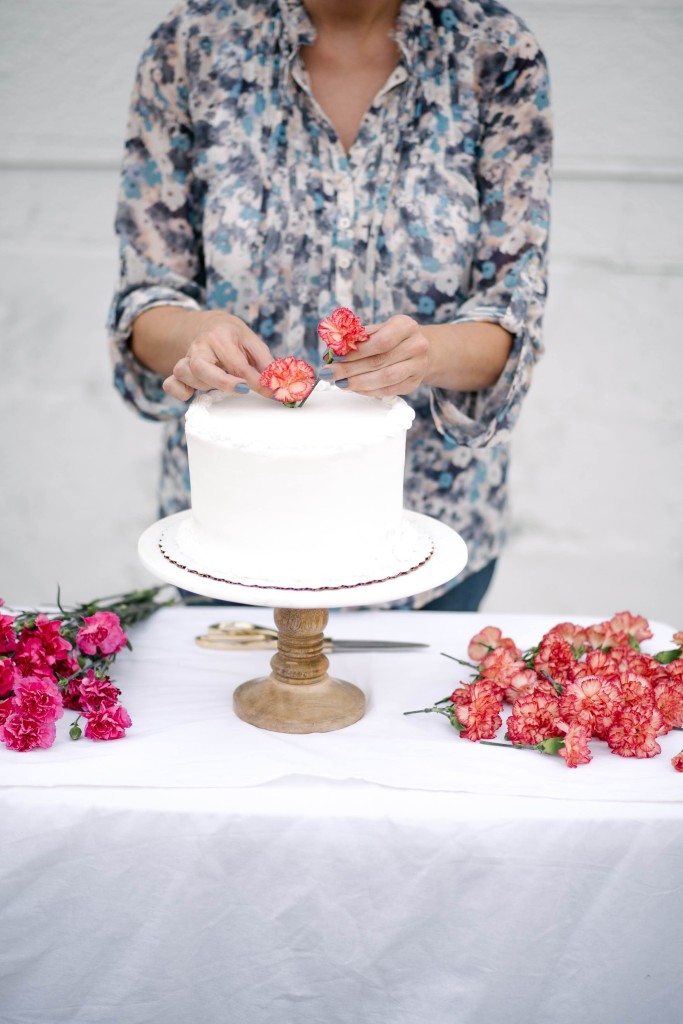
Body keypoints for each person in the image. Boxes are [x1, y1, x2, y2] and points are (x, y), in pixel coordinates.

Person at [108, 0, 552, 611]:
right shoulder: (191, 46)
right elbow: (144, 301)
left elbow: (513, 312)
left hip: (429, 541)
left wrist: (431, 351)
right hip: (236, 546)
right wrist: (196, 334)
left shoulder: (495, 51)